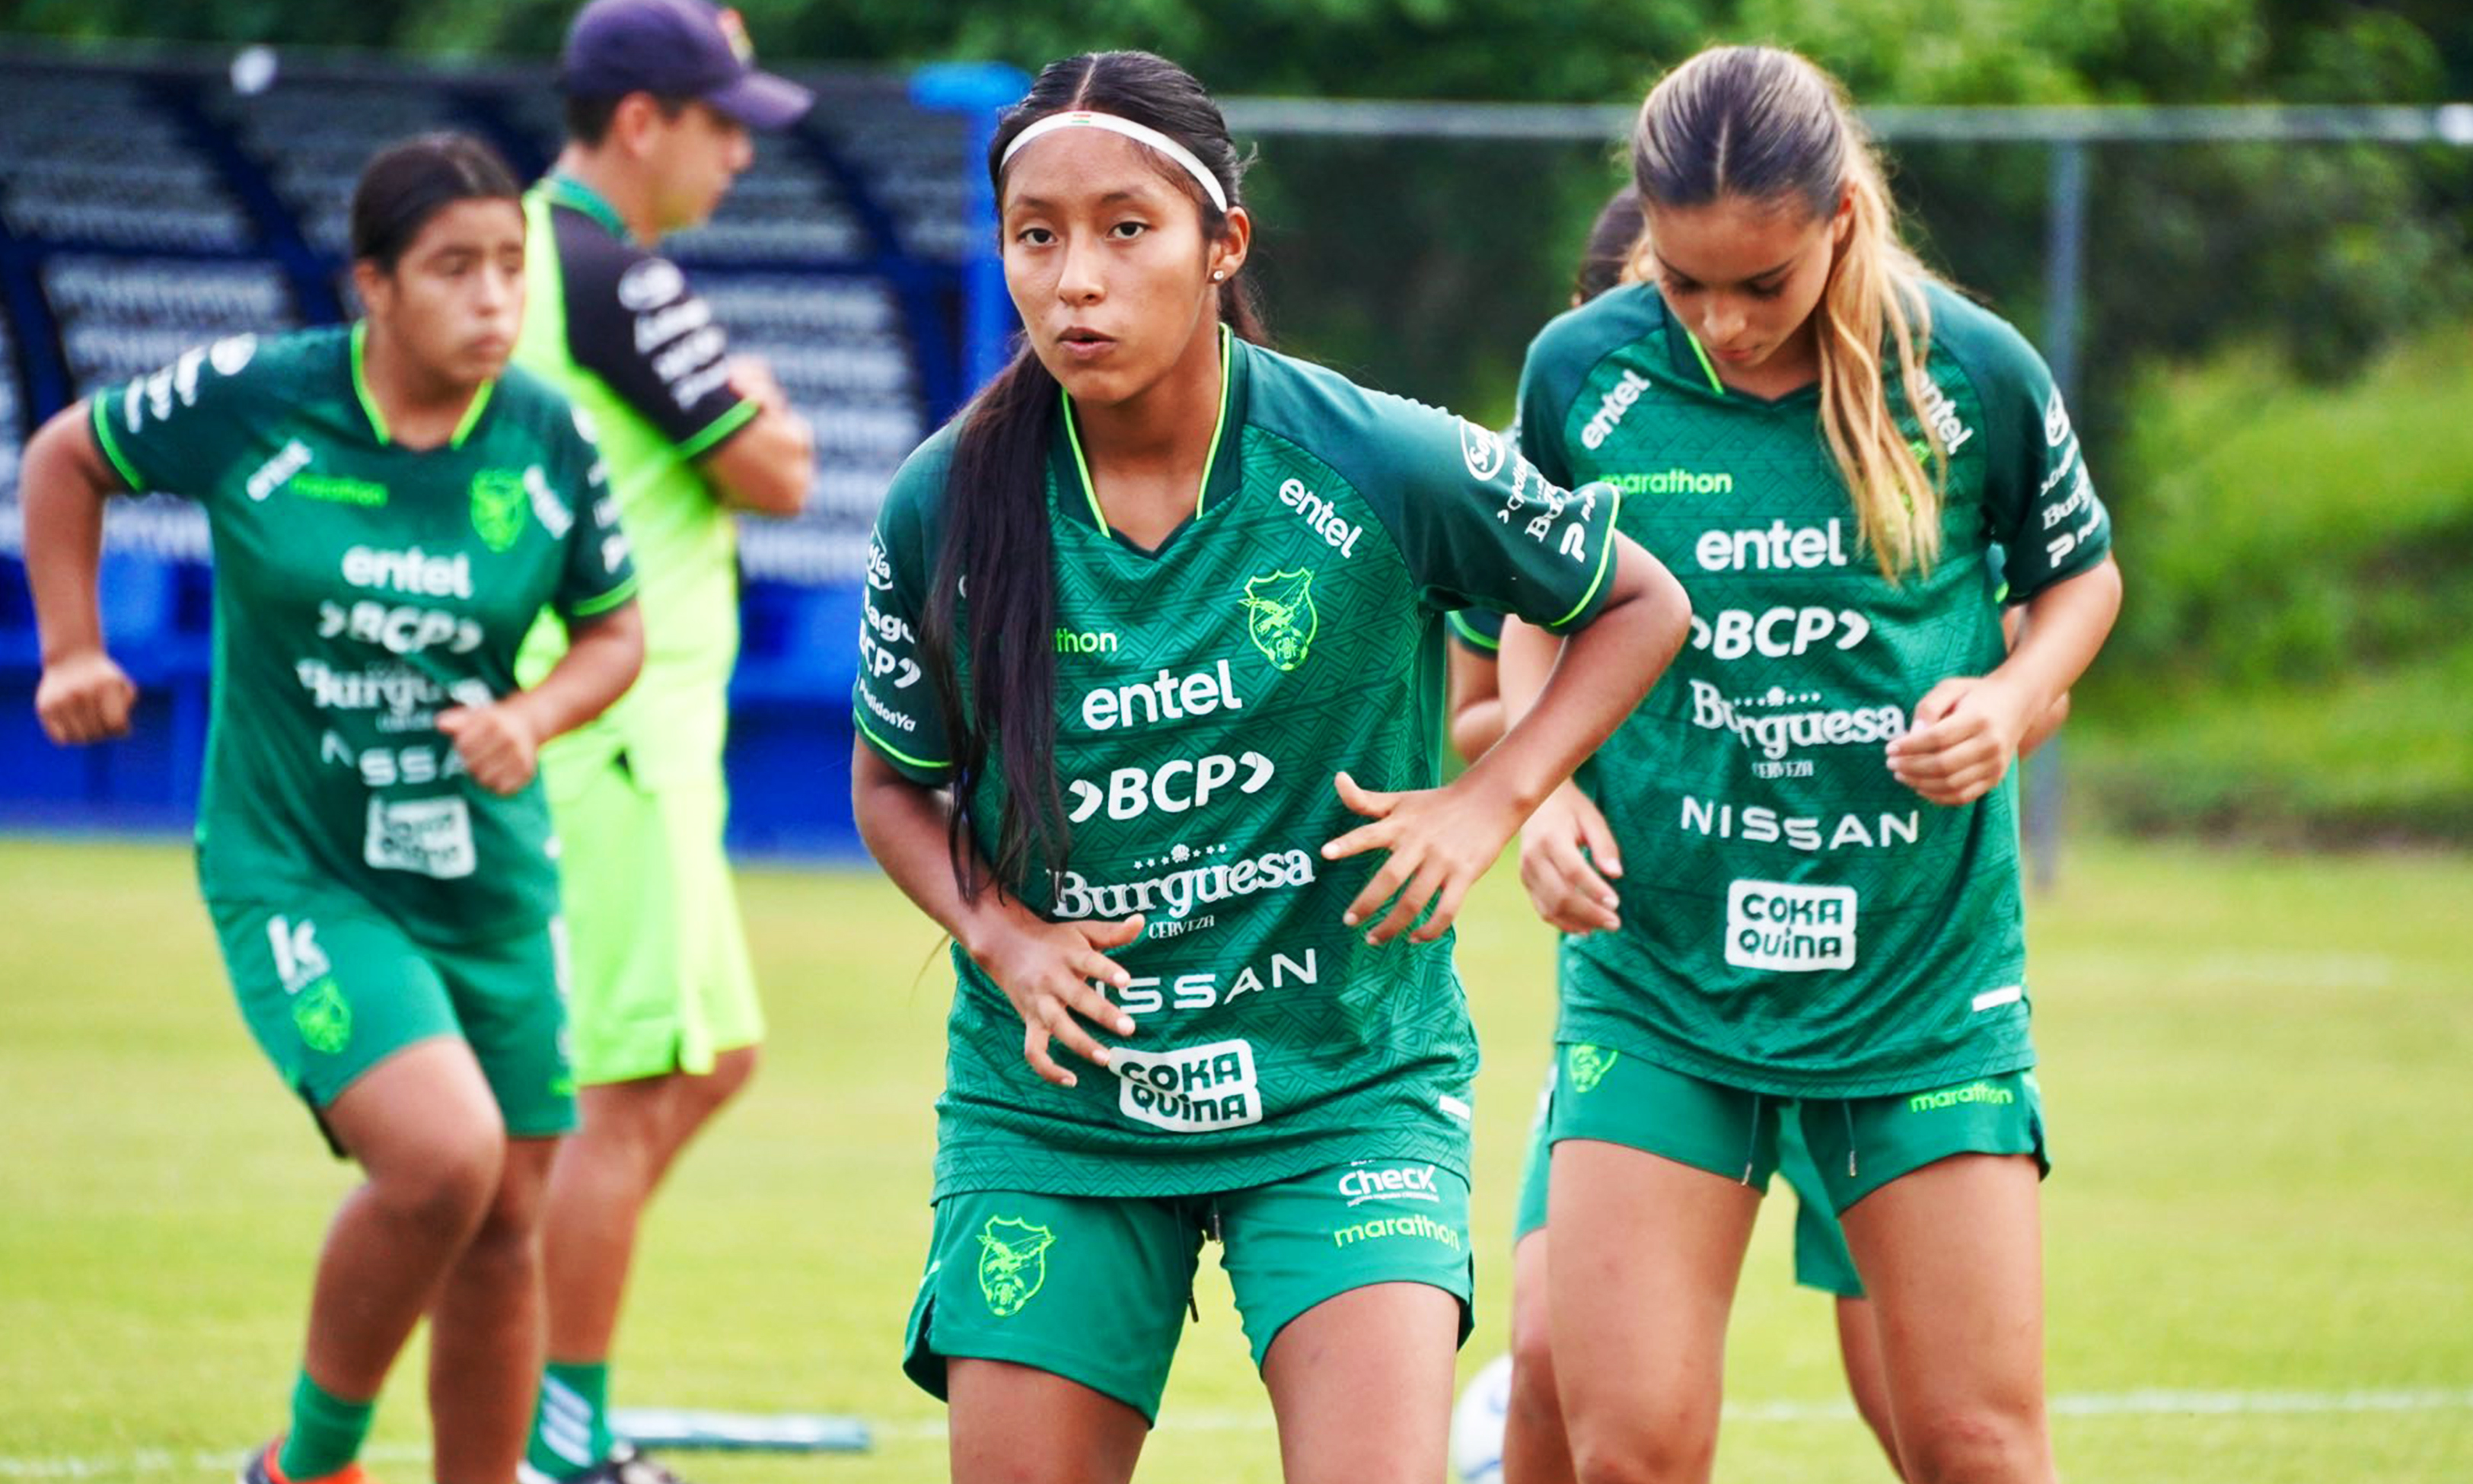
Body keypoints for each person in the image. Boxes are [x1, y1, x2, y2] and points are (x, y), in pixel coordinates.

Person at [849, 50, 1691, 1484]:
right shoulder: (945, 499)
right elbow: (892, 783)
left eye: (1127, 229)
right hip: (1064, 1105)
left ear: (1221, 243)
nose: (1074, 281)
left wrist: (1490, 799)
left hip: (1337, 1081)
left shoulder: (1371, 457)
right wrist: (1001, 935)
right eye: (1034, 235)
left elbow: (1637, 602)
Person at [1499, 45, 2121, 1484]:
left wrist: (2013, 696)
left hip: (1917, 984)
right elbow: (1533, 619)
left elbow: (2079, 583)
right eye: (1682, 279)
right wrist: (1548, 790)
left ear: (1840, 215)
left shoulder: (1969, 369)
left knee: (1971, 1443)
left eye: (1760, 285)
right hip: (1661, 978)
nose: (1718, 323)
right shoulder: (1579, 375)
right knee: (1631, 1447)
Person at [19, 134, 642, 1484]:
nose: (493, 299)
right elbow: (69, 457)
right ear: (373, 284)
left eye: (510, 269)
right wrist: (72, 646)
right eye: (453, 269)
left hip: (484, 882)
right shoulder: (260, 398)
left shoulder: (547, 436)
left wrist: (530, 717)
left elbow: (614, 631)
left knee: (504, 1221)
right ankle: (308, 1465)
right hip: (300, 864)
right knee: (443, 1157)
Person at [508, 5, 817, 1480]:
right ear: (640, 122)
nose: (740, 152)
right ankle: (554, 1431)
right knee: (629, 1089)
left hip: (610, 726)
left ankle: (523, 1364)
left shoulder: (508, 247)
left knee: (703, 1064)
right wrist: (759, 395)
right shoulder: (603, 271)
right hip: (615, 732)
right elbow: (774, 470)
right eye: (720, 121)